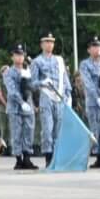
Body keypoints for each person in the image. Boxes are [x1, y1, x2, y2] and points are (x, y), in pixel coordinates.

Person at [31, 33, 69, 165]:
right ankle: (48, 156)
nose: (49, 44)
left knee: (59, 129)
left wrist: (68, 96)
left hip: (60, 98)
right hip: (46, 97)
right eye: (46, 42)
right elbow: (33, 83)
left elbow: (65, 80)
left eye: (52, 42)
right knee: (47, 128)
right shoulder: (37, 62)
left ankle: (58, 156)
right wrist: (42, 82)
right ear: (42, 44)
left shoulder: (59, 60)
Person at [0, 44, 39, 170]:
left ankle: (27, 157)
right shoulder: (8, 73)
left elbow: (33, 86)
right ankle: (18, 159)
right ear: (12, 57)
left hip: (29, 105)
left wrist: (38, 83)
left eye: (21, 55)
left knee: (29, 131)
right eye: (17, 55)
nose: (20, 57)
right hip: (16, 107)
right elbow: (12, 90)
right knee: (16, 133)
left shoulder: (28, 71)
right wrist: (21, 102)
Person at [79, 37, 100, 170]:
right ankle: (98, 156)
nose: (97, 49)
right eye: (93, 46)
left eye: (98, 46)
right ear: (89, 50)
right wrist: (97, 97)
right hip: (94, 101)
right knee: (95, 129)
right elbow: (88, 83)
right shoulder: (85, 64)